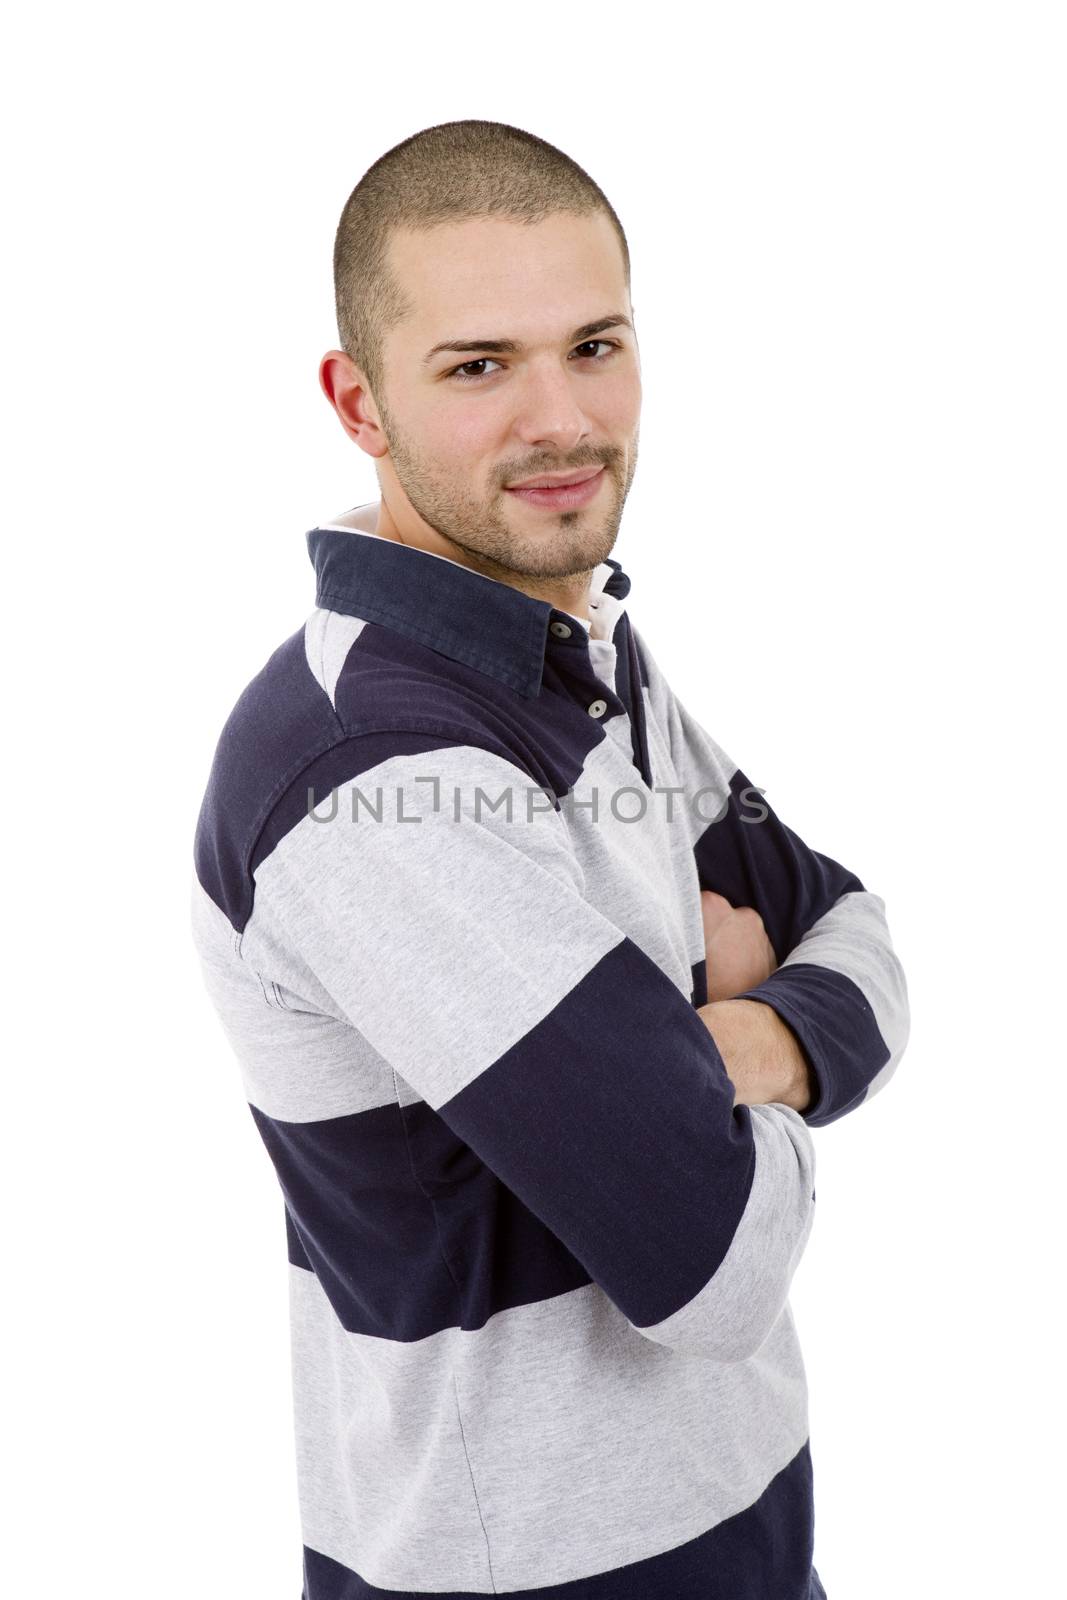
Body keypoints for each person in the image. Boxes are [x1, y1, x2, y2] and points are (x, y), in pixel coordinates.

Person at [190, 118, 909, 1600]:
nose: (560, 420)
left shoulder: (566, 649)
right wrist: (725, 1076)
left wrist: (744, 1047)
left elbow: (856, 931)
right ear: (360, 401)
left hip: (741, 1531)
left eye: (595, 346)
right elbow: (712, 1263)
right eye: (477, 366)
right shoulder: (369, 774)